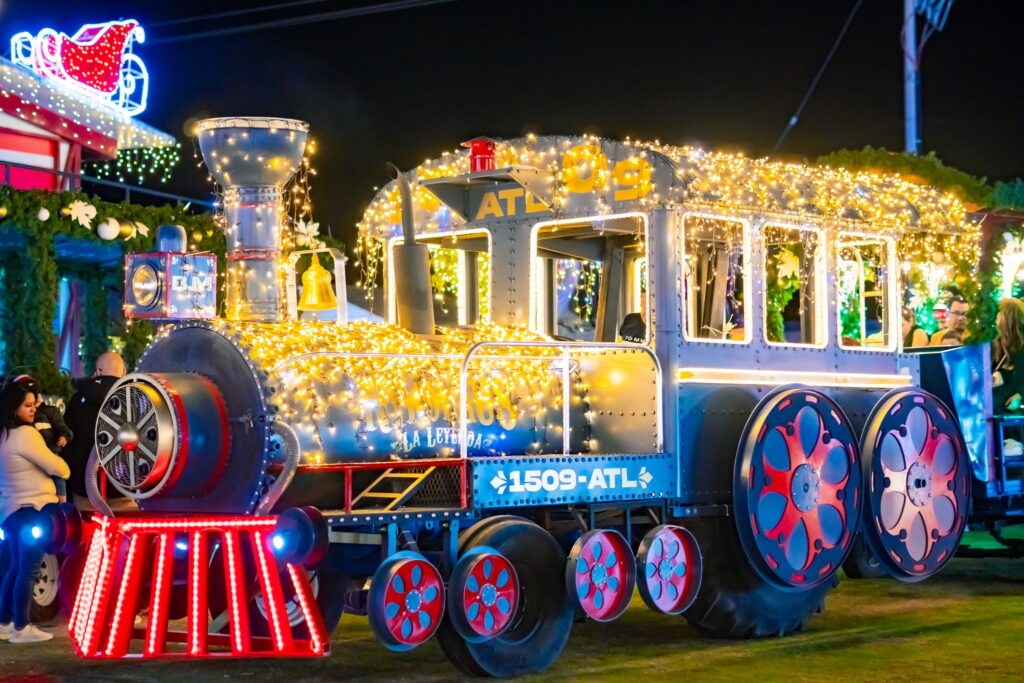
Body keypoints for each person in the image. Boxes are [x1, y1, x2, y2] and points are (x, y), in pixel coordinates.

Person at [0, 382, 70, 643]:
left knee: (13, 568)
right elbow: (56, 466)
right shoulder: (25, 435)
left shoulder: (3, 435)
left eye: (34, 405)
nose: (33, 410)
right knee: (28, 570)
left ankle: (5, 623)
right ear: (13, 408)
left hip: (9, 511)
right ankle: (22, 627)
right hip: (33, 509)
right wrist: (64, 467)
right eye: (27, 406)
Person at [63, 352, 125, 509]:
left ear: (97, 371)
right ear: (123, 372)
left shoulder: (78, 399)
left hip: (84, 489)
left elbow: (67, 440)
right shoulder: (132, 397)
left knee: (87, 531)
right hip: (124, 488)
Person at [11, 376, 72, 503]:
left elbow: (63, 428)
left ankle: (62, 505)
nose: (33, 408)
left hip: (51, 453)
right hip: (32, 470)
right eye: (28, 404)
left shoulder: (49, 411)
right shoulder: (20, 429)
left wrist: (64, 436)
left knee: (58, 483)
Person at [992, 298, 1024, 414]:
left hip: (1012, 406)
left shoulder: (1021, 345)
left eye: (999, 313)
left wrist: (1020, 395)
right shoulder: (996, 343)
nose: (996, 317)